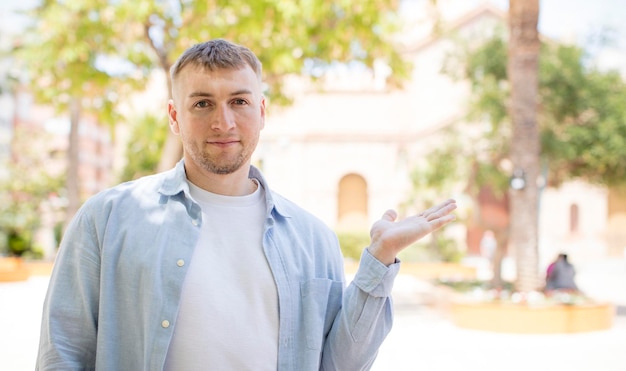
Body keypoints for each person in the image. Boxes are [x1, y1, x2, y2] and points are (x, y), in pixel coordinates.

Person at [36, 39, 457, 371]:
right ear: (174, 116)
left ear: (261, 109)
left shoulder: (313, 238)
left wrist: (379, 260)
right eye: (202, 103)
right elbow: (63, 352)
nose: (223, 122)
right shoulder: (108, 219)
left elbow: (340, 365)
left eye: (238, 101)